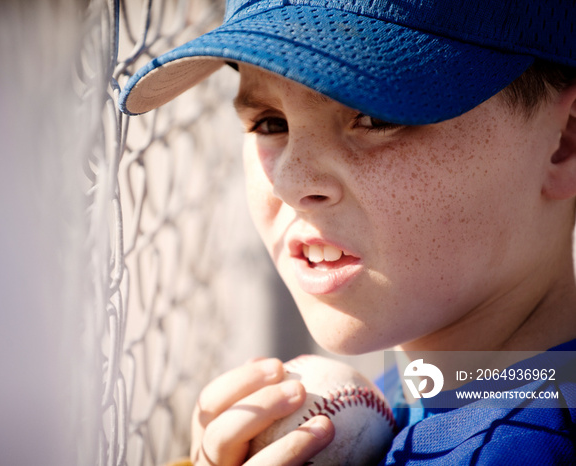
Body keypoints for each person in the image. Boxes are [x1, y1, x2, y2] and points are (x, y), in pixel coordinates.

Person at [120, 0, 576, 464]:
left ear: (565, 143)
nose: (293, 183)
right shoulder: (425, 392)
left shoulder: (520, 449)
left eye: (375, 118)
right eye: (270, 124)